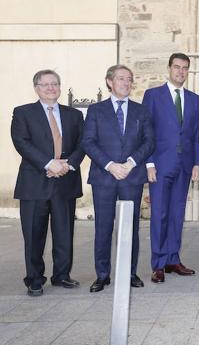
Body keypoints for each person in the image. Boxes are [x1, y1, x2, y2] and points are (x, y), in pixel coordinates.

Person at [11, 70, 85, 296]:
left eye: (55, 84)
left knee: (64, 232)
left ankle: (62, 275)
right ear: (36, 88)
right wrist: (48, 163)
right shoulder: (23, 112)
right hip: (35, 182)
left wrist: (67, 164)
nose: (51, 88)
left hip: (65, 181)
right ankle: (34, 278)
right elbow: (21, 142)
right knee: (34, 234)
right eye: (45, 85)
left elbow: (83, 143)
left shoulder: (73, 115)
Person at [82, 64, 155, 292]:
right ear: (109, 82)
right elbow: (88, 142)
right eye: (122, 78)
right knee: (103, 227)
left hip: (131, 177)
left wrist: (130, 163)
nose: (126, 83)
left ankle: (129, 272)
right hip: (104, 177)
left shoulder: (140, 111)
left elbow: (149, 141)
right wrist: (111, 165)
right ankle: (102, 275)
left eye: (129, 79)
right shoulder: (96, 110)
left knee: (130, 227)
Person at [142, 53, 199, 283]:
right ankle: (157, 264)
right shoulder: (153, 95)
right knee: (160, 214)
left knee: (177, 214)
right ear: (169, 69)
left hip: (185, 166)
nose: (181, 72)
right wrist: (149, 163)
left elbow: (196, 134)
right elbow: (146, 132)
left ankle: (172, 259)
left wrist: (198, 162)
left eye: (185, 68)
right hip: (160, 165)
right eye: (177, 67)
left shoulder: (194, 99)